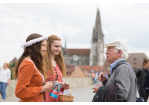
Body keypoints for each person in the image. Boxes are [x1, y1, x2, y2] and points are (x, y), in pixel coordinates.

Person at [14, 33, 54, 102]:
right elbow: (20, 92)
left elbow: (33, 85)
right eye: (43, 45)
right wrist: (43, 88)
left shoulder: (32, 63)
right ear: (36, 46)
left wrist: (45, 86)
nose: (45, 49)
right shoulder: (28, 64)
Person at [44, 35, 69, 102]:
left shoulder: (58, 63)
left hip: (57, 99)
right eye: (56, 46)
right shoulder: (43, 62)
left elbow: (58, 83)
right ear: (48, 46)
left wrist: (63, 85)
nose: (59, 49)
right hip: (46, 99)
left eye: (60, 46)